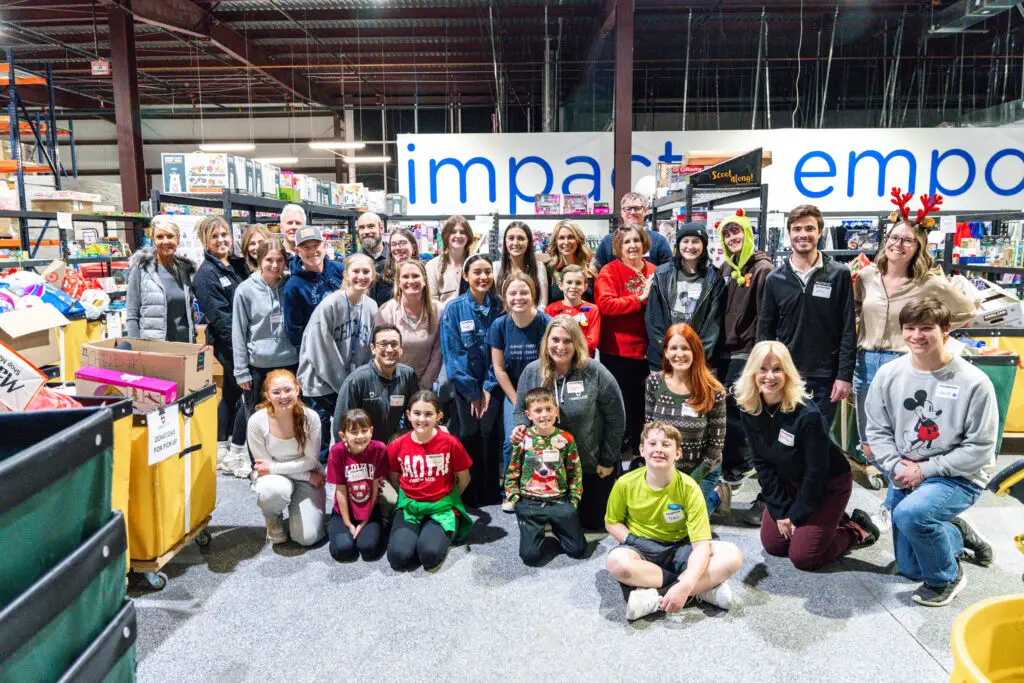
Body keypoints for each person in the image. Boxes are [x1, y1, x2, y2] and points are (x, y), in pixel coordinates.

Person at [865, 297, 997, 607]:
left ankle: (946, 579)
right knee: (910, 569)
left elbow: (980, 449)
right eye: (910, 328)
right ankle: (953, 531)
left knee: (911, 515)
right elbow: (876, 430)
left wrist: (924, 471)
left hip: (958, 476)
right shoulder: (888, 374)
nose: (916, 336)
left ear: (946, 329)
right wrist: (898, 466)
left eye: (926, 328)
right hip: (905, 471)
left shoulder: (974, 382)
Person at [735, 341, 879, 572]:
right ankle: (832, 520)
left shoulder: (806, 413)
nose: (769, 376)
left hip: (826, 485)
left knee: (804, 557)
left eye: (777, 369)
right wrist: (781, 511)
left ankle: (856, 529)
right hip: (789, 482)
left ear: (787, 373)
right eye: (763, 369)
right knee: (774, 545)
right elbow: (762, 463)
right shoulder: (750, 407)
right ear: (752, 372)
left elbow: (816, 472)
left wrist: (796, 516)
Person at [854, 194, 975, 467]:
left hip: (905, 363)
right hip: (865, 362)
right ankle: (894, 481)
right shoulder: (866, 276)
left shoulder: (930, 283)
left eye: (907, 240)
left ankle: (902, 487)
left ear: (918, 247)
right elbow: (856, 308)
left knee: (906, 439)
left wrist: (933, 334)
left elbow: (967, 310)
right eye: (894, 238)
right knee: (870, 441)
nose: (898, 244)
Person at [605, 422, 743, 621]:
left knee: (732, 555)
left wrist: (685, 585)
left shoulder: (689, 488)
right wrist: (634, 541)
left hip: (680, 547)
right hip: (641, 549)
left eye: (666, 444)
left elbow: (701, 546)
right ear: (642, 450)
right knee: (616, 562)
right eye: (652, 443)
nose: (659, 449)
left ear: (678, 453)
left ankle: (655, 596)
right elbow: (612, 522)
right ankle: (703, 589)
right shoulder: (624, 483)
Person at [512, 316, 626, 530]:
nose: (560, 346)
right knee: (552, 527)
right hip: (547, 468)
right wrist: (520, 426)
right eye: (555, 340)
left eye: (567, 341)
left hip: (589, 466)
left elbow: (617, 418)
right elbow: (520, 410)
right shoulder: (532, 371)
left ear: (577, 343)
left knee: (593, 524)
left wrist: (608, 459)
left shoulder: (595, 372)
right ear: (546, 341)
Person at [758, 204, 856, 429]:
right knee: (785, 435)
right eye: (797, 229)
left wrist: (844, 375)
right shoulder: (775, 279)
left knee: (818, 437)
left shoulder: (839, 274)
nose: (803, 234)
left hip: (826, 377)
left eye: (809, 229)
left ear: (820, 232)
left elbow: (848, 329)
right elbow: (765, 331)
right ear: (789, 233)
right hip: (785, 374)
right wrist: (765, 372)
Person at [297, 253, 378, 465]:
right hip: (321, 381)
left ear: (373, 275)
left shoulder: (371, 306)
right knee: (320, 441)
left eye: (366, 272)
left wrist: (357, 381)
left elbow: (369, 348)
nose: (361, 276)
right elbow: (319, 351)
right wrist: (345, 384)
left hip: (348, 382)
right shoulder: (330, 304)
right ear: (346, 274)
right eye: (356, 271)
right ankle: (320, 477)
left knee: (347, 433)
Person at [644, 323, 730, 516]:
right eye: (673, 348)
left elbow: (716, 445)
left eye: (685, 348)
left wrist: (689, 482)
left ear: (696, 351)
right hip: (664, 469)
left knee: (683, 521)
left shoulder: (713, 390)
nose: (679, 354)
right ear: (666, 352)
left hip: (702, 470)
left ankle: (718, 494)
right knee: (658, 518)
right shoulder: (654, 383)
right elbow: (649, 432)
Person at [715, 209, 774, 487]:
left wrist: (759, 354)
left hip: (746, 350)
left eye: (736, 231)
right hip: (724, 350)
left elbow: (765, 315)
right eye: (727, 234)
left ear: (747, 233)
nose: (732, 238)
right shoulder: (726, 267)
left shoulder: (763, 269)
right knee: (727, 408)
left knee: (739, 409)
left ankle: (743, 464)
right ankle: (734, 462)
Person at [439, 254, 504, 507]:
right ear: (465, 276)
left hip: (493, 382)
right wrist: (473, 392)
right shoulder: (454, 309)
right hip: (464, 386)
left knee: (489, 432)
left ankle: (490, 492)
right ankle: (468, 492)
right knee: (468, 433)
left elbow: (500, 352)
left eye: (487, 271)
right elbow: (453, 354)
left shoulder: (499, 307)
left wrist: (487, 387)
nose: (483, 277)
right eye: (477, 272)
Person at [231, 238, 299, 476]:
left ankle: (288, 466)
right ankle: (259, 469)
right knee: (258, 420)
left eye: (280, 260)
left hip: (290, 363)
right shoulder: (245, 290)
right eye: (269, 260)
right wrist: (241, 371)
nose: (275, 265)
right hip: (258, 367)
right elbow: (238, 332)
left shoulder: (290, 284)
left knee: (290, 417)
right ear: (259, 260)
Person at [387, 391, 474, 571]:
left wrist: (447, 499)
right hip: (411, 506)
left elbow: (464, 479)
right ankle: (418, 532)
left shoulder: (450, 443)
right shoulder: (397, 445)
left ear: (438, 416)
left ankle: (445, 528)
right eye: (417, 413)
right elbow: (394, 478)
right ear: (408, 415)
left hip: (441, 507)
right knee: (398, 558)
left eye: (428, 414)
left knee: (429, 556)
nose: (422, 419)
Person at [487, 273, 553, 511]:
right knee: (511, 440)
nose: (519, 298)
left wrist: (538, 403)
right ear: (505, 297)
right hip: (513, 392)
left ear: (533, 294)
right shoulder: (499, 325)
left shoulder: (546, 322)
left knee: (545, 439)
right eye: (513, 293)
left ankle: (545, 487)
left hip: (544, 391)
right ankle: (510, 491)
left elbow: (552, 362)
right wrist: (518, 402)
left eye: (524, 292)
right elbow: (498, 368)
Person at [192, 216, 250, 476]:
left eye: (224, 234)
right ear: (205, 241)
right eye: (214, 236)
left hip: (243, 339)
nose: (221, 240)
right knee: (246, 392)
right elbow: (221, 318)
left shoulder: (236, 265)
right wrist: (242, 348)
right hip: (230, 343)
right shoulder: (206, 275)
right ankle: (236, 451)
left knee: (230, 393)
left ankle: (220, 446)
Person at [505, 387, 586, 566]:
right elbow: (512, 471)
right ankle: (536, 531)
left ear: (556, 411)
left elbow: (575, 471)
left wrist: (573, 501)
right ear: (528, 414)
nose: (544, 415)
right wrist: (515, 499)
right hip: (530, 502)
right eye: (538, 410)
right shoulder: (523, 439)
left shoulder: (566, 439)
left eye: (549, 409)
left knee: (578, 550)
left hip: (559, 500)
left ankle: (555, 528)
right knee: (530, 557)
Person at [595, 224, 656, 455]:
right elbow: (606, 305)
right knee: (621, 403)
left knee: (644, 404)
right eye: (626, 242)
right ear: (618, 247)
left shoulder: (654, 270)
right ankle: (620, 450)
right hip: (618, 350)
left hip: (649, 349)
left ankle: (642, 449)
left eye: (636, 240)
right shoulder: (609, 271)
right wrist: (639, 298)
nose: (632, 246)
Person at [248, 369, 325, 546]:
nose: (283, 396)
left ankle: (300, 511)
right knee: (273, 490)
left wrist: (275, 468)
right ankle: (273, 517)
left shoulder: (311, 418)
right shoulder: (256, 421)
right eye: (276, 392)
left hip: (305, 476)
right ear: (268, 396)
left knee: (307, 538)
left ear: (297, 390)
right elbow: (263, 469)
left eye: (288, 390)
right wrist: (306, 476)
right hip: (281, 478)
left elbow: (310, 461)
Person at [645, 221, 725, 372]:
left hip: (699, 362)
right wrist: (668, 352)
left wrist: (696, 355)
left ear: (703, 245)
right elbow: (653, 318)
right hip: (663, 360)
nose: (690, 246)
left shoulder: (714, 278)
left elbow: (713, 323)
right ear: (678, 244)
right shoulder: (662, 274)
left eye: (695, 241)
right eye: (685, 241)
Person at [332, 324, 419, 445]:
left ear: (401, 349)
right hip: (363, 447)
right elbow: (341, 425)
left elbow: (416, 414)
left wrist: (405, 437)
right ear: (373, 348)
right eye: (383, 344)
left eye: (394, 344)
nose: (389, 349)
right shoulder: (356, 380)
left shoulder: (408, 375)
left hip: (395, 447)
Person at [326, 409, 389, 562]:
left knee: (368, 549)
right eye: (354, 432)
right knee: (343, 550)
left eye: (364, 431)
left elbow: (375, 486)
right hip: (344, 510)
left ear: (371, 431)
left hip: (369, 508)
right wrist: (347, 522)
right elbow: (340, 490)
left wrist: (365, 520)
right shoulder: (337, 451)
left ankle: (378, 525)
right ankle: (334, 525)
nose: (360, 436)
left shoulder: (379, 449)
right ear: (343, 436)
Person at [125, 214, 197, 343]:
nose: (165, 241)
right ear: (153, 239)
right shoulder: (141, 270)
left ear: (178, 238)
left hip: (184, 345)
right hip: (154, 347)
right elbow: (132, 315)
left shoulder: (184, 270)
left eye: (170, 236)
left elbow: (189, 313)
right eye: (159, 237)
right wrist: (135, 346)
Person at [375, 260, 442, 390]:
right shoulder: (386, 311)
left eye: (416, 276)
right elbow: (381, 352)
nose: (411, 281)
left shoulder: (439, 311)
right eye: (405, 276)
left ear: (424, 280)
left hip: (427, 384)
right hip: (392, 382)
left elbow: (438, 353)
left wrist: (423, 386)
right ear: (398, 282)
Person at [282, 225, 346, 349]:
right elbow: (294, 330)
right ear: (297, 251)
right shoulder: (293, 286)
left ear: (324, 245)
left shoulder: (339, 269)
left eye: (316, 245)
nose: (312, 251)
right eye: (306, 247)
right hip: (318, 350)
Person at [592, 192, 672, 271]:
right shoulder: (608, 241)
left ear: (645, 211)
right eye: (628, 209)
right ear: (622, 212)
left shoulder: (659, 241)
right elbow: (596, 270)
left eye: (637, 208)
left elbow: (669, 271)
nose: (633, 212)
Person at [545, 265, 601, 355]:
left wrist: (568, 350)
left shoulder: (592, 310)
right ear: (560, 285)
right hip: (558, 357)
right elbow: (546, 339)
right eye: (569, 282)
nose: (574, 286)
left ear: (585, 287)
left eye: (578, 283)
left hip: (582, 358)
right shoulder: (551, 309)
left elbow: (592, 342)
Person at [494, 221, 548, 308]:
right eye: (511, 238)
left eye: (521, 238)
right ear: (505, 241)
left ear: (528, 242)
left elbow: (542, 304)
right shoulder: (496, 268)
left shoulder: (539, 268)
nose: (515, 243)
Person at [546, 219, 597, 303]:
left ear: (578, 240)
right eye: (561, 238)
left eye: (570, 237)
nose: (566, 242)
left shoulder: (590, 269)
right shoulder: (549, 270)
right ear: (556, 242)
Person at [426, 215, 473, 304]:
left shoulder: (476, 263)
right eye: (453, 232)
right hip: (443, 313)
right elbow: (431, 301)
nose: (458, 235)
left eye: (462, 232)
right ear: (446, 236)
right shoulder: (432, 266)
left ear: (468, 237)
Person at [370, 227, 418, 307]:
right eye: (394, 244)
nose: (398, 248)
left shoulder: (422, 271)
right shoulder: (379, 270)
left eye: (403, 243)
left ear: (414, 248)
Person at [357, 211, 388, 276]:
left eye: (371, 226)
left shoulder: (395, 258)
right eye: (362, 227)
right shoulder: (351, 263)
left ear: (381, 229)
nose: (366, 231)